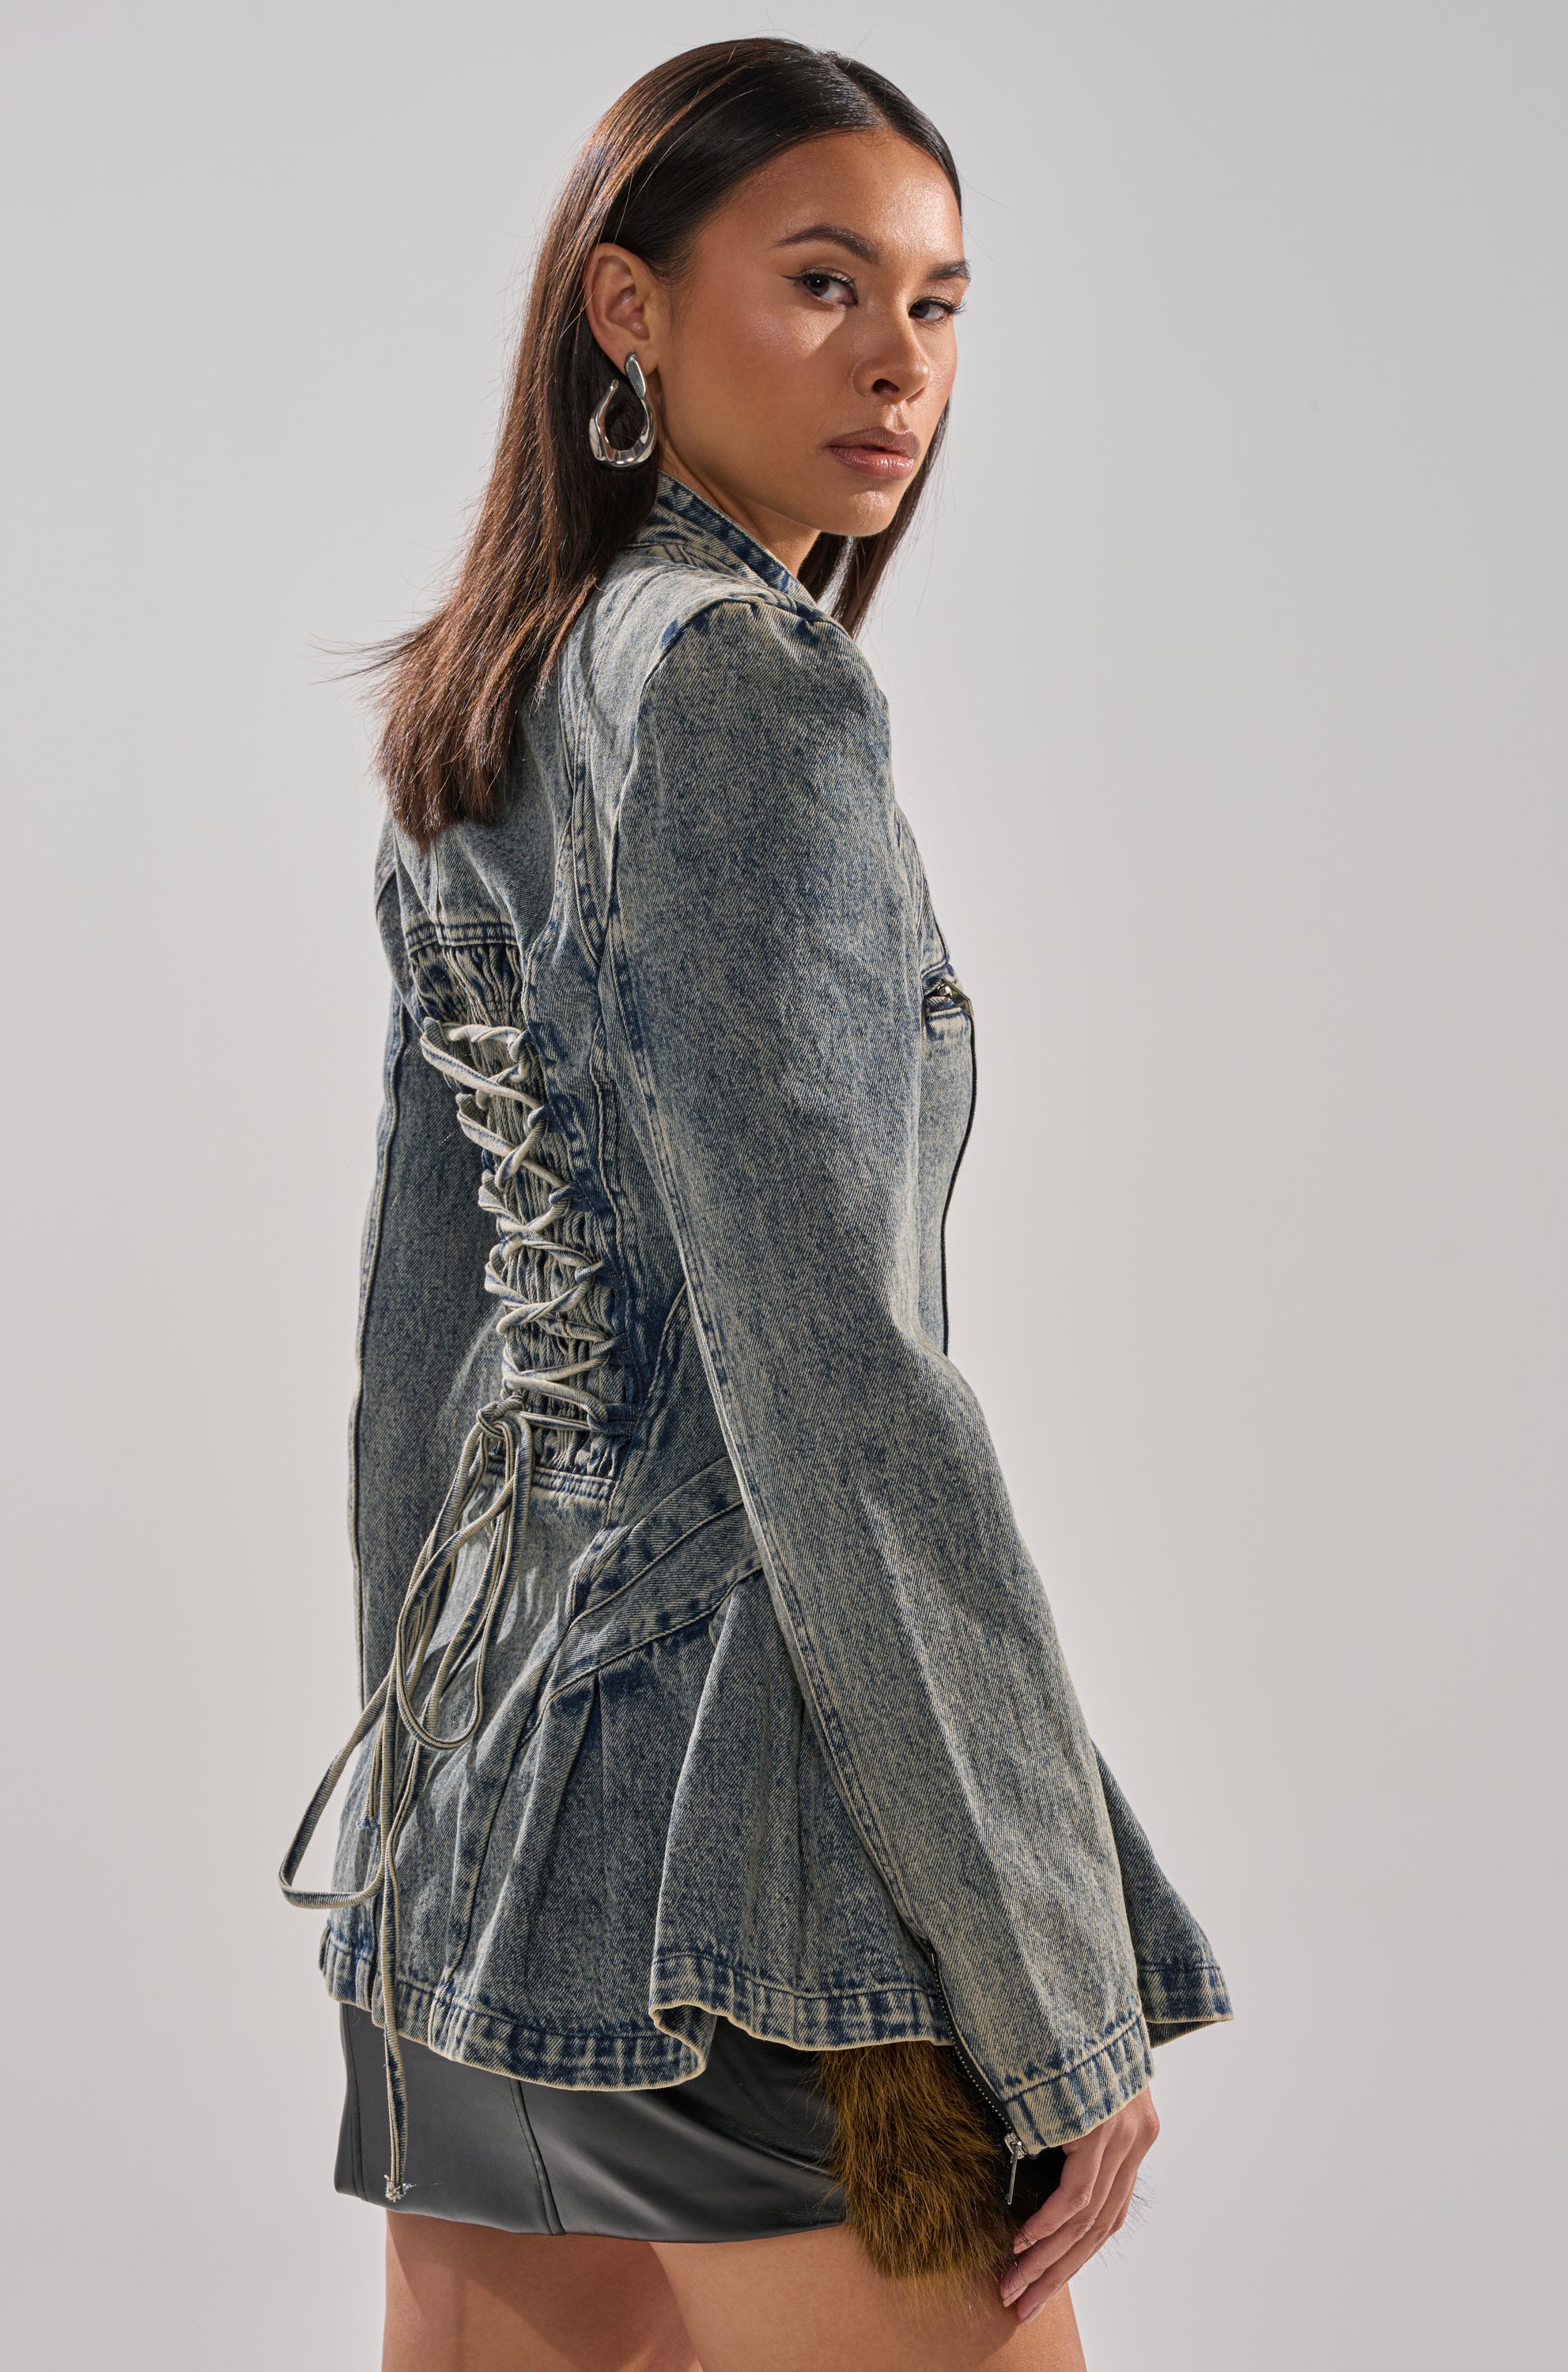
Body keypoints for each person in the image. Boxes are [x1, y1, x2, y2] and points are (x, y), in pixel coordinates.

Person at [279, 37, 1231, 2372]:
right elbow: (842, 1401)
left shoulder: (486, 699)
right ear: (628, 308)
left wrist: (438, 1848)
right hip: (753, 1875)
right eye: (824, 285)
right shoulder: (738, 688)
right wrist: (1048, 1974)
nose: (898, 366)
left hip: (482, 1859)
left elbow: (426, 1367)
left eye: (938, 305)